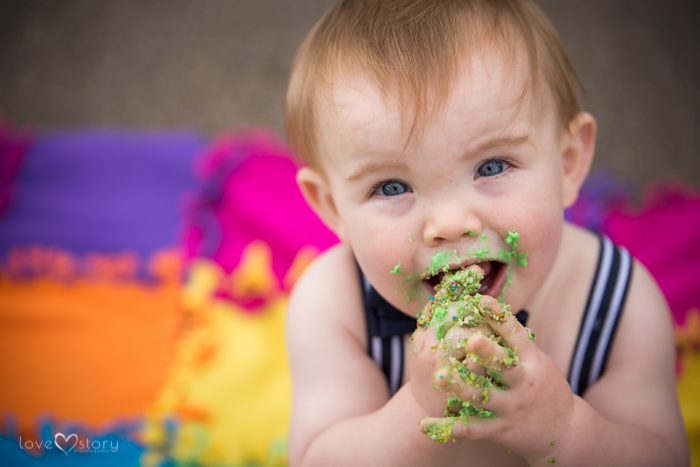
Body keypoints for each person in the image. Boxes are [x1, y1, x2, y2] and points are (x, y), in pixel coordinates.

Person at [283, 1, 689, 465]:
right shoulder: (334, 307)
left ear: (568, 161)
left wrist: (566, 429)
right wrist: (417, 411)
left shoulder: (618, 303)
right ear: (333, 207)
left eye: (491, 166)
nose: (452, 225)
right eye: (392, 187)